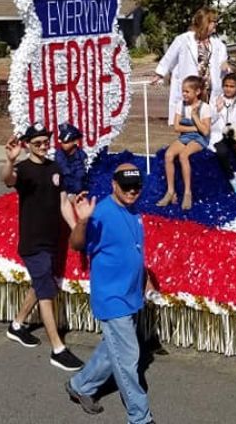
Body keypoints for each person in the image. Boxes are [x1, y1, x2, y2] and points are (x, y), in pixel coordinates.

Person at [65, 164, 155, 424]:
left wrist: (146, 280)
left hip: (130, 294)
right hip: (111, 297)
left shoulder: (132, 210)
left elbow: (134, 249)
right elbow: (76, 244)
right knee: (128, 357)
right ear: (114, 185)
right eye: (126, 186)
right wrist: (82, 221)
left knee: (111, 350)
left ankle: (80, 385)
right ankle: (140, 416)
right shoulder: (101, 212)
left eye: (136, 186)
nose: (132, 191)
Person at [0, 123, 84, 371]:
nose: (43, 147)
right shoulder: (23, 170)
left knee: (40, 284)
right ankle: (58, 349)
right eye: (37, 143)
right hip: (32, 242)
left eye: (46, 142)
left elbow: (63, 203)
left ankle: (17, 325)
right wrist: (9, 161)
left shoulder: (55, 168)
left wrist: (76, 229)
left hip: (51, 240)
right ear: (27, 145)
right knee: (46, 291)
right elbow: (7, 179)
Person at [151, 7, 229, 125]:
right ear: (205, 22)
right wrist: (159, 74)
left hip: (209, 92)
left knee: (208, 125)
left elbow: (223, 61)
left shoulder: (218, 44)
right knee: (189, 123)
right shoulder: (183, 39)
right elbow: (169, 57)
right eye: (213, 21)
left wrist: (225, 64)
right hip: (191, 91)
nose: (216, 24)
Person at [156, 76, 211, 211]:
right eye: (183, 91)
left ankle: (187, 192)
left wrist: (195, 117)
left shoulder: (205, 107)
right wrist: (194, 127)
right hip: (186, 136)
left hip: (199, 139)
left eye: (187, 91)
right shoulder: (180, 105)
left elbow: (205, 131)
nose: (184, 94)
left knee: (184, 155)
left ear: (197, 92)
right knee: (169, 155)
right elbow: (177, 127)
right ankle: (170, 191)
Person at [56, 122, 89, 196]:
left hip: (81, 193)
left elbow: (84, 175)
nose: (63, 144)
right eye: (62, 141)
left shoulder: (82, 155)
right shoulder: (59, 155)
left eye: (66, 142)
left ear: (76, 141)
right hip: (65, 194)